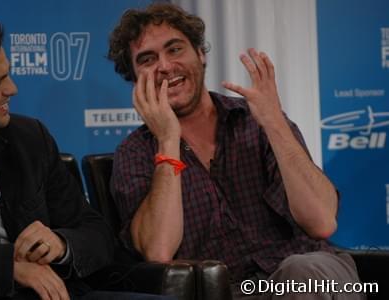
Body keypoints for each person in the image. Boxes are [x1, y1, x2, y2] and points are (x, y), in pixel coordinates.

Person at [108, 3, 365, 299]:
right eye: (148, 59)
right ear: (135, 80)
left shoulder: (257, 121)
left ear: (201, 54)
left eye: (175, 49)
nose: (165, 66)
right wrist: (167, 140)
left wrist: (274, 123)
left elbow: (321, 221)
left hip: (311, 275)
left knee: (301, 273)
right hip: (230, 293)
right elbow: (160, 249)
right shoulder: (135, 153)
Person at [0, 12, 175, 300]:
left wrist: (62, 244)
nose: (12, 88)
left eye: (9, 73)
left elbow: (96, 231)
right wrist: (9, 267)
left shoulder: (29, 137)